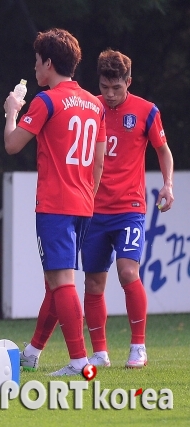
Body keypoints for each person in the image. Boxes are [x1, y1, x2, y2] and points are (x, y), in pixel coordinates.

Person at [3, 28, 106, 376]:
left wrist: (11, 111)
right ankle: (32, 352)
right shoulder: (95, 103)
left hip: (55, 204)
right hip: (82, 202)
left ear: (48, 63)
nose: (34, 68)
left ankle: (79, 362)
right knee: (55, 281)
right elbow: (98, 159)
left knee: (61, 282)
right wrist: (89, 194)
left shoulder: (47, 100)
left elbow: (13, 145)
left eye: (36, 61)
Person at [79, 49, 174, 368]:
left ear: (128, 82)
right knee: (93, 282)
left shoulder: (146, 111)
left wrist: (168, 183)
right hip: (92, 209)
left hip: (130, 209)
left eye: (116, 88)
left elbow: (163, 151)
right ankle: (100, 353)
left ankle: (138, 347)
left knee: (128, 271)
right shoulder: (89, 107)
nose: (109, 94)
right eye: (104, 87)